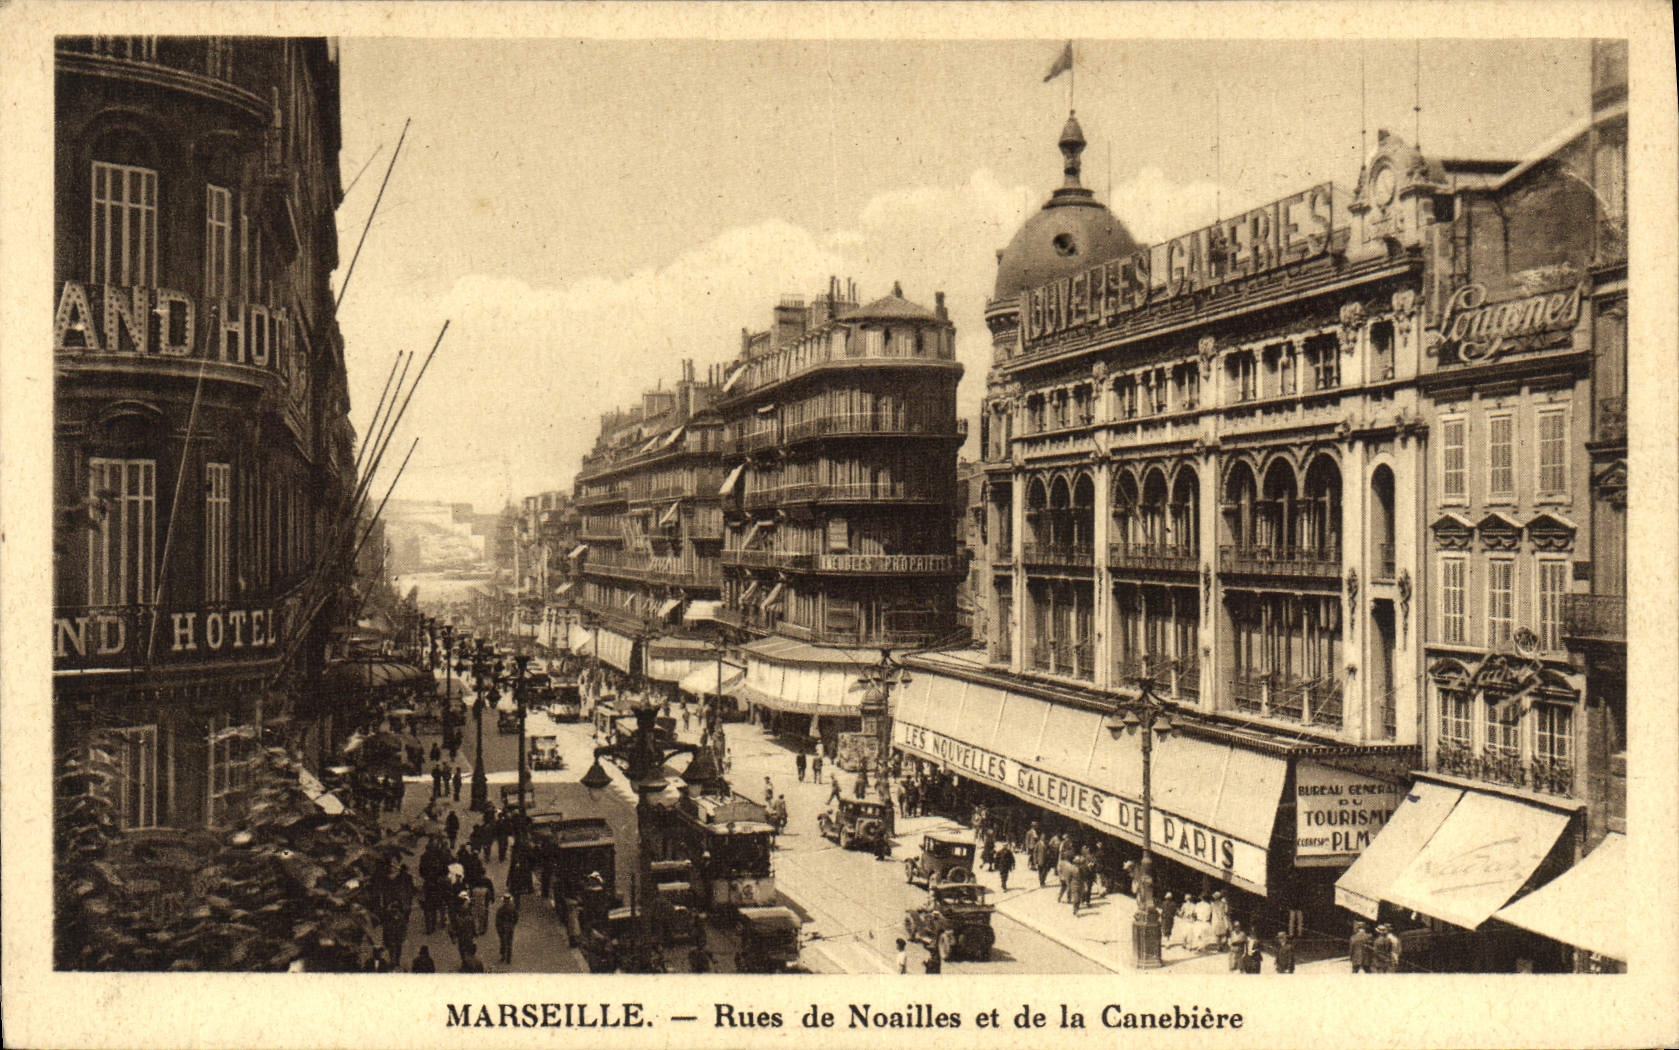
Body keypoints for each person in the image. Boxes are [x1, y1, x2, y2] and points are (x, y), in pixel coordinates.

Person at [494, 894, 520, 965]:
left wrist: (498, 927)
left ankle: (503, 956)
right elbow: (516, 917)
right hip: (510, 927)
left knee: (502, 942)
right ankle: (508, 959)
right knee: (509, 942)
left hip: (502, 928)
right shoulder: (513, 908)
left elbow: (497, 920)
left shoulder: (500, 909)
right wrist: (513, 924)